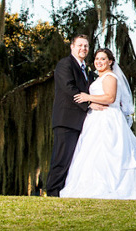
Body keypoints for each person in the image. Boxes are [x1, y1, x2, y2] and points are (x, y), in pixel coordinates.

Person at [59, 47, 136, 200]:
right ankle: (93, 185)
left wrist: (88, 97)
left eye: (103, 59)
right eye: (97, 59)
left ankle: (111, 186)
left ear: (110, 61)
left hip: (108, 119)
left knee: (109, 151)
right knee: (93, 152)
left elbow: (110, 98)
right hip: (95, 119)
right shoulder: (98, 78)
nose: (99, 62)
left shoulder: (110, 77)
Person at [46, 34, 100, 197]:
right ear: (72, 47)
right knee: (62, 158)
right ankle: (53, 191)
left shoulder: (88, 70)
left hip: (82, 122)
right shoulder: (65, 64)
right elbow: (69, 88)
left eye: (86, 46)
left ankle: (65, 191)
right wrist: (89, 103)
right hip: (66, 120)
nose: (83, 48)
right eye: (80, 45)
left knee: (76, 159)